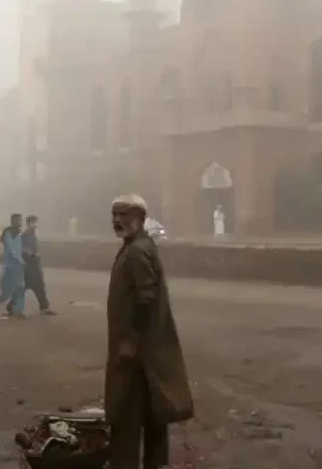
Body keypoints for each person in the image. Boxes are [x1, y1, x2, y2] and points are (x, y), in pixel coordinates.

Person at [105, 194, 194, 469]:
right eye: (115, 215)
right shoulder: (140, 245)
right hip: (146, 350)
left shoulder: (136, 251)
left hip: (136, 353)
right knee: (153, 413)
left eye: (125, 215)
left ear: (141, 218)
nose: (119, 220)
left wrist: (131, 341)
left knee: (126, 415)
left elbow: (146, 298)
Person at [0, 214, 26, 318]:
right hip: (10, 266)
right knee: (9, 290)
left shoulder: (18, 233)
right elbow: (11, 249)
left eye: (20, 220)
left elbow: (19, 248)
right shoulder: (8, 233)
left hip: (17, 265)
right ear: (13, 221)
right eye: (18, 220)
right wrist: (20, 260)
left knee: (19, 288)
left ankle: (17, 310)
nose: (20, 222)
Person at [22, 214, 56, 316]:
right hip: (29, 266)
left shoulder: (33, 234)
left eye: (36, 222)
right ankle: (10, 307)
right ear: (28, 223)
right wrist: (32, 253)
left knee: (39, 287)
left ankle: (44, 308)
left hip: (35, 265)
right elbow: (22, 248)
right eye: (33, 222)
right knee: (25, 287)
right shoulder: (26, 234)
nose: (35, 224)